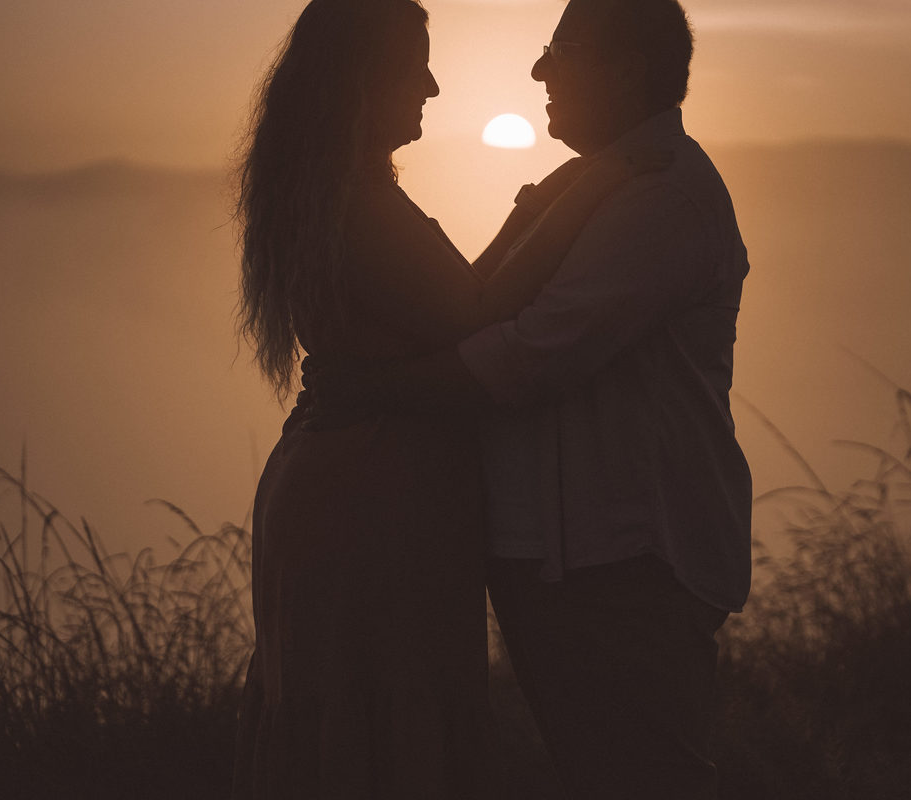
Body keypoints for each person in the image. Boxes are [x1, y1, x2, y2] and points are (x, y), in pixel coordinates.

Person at [311, 0, 753, 797]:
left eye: (560, 49)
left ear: (623, 69)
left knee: (647, 779)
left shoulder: (662, 196)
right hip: (566, 561)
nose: (540, 68)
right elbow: (478, 311)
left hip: (625, 562)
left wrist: (372, 390)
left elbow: (529, 355)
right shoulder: (596, 185)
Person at [227, 1, 661, 797]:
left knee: (356, 724)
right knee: (389, 724)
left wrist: (545, 203)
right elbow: (479, 312)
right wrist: (586, 190)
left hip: (353, 485)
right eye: (414, 68)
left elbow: (458, 295)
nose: (430, 86)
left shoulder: (338, 193)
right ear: (363, 80)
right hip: (370, 502)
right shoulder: (358, 205)